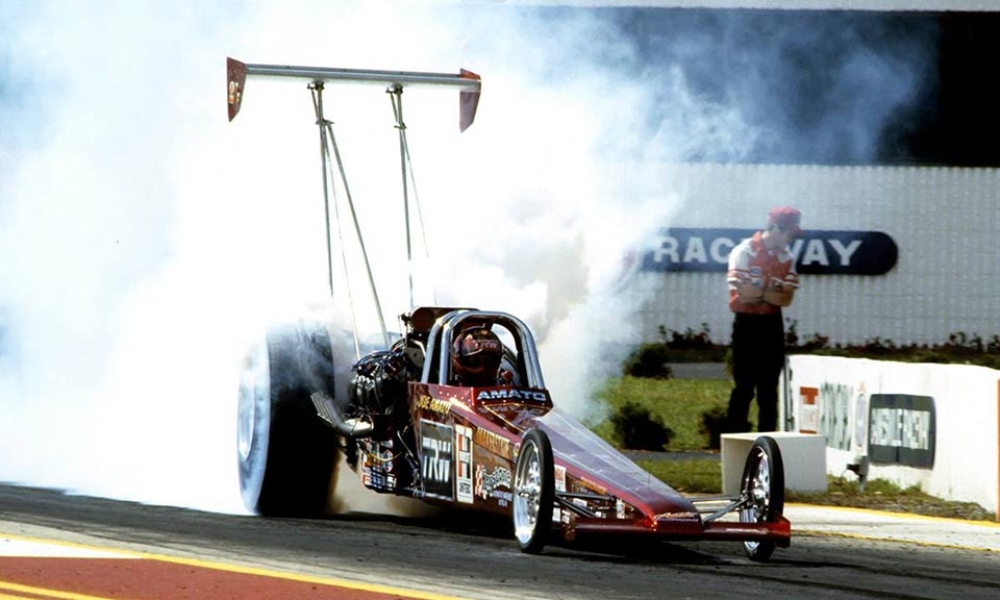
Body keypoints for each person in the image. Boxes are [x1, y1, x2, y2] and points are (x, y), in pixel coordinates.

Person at [725, 206, 803, 433]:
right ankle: (734, 438)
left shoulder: (787, 257)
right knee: (744, 386)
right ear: (777, 229)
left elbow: (786, 299)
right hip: (746, 324)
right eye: (790, 233)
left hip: (772, 324)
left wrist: (761, 291)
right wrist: (771, 293)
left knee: (769, 389)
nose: (791, 240)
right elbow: (743, 295)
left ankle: (768, 441)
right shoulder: (744, 252)